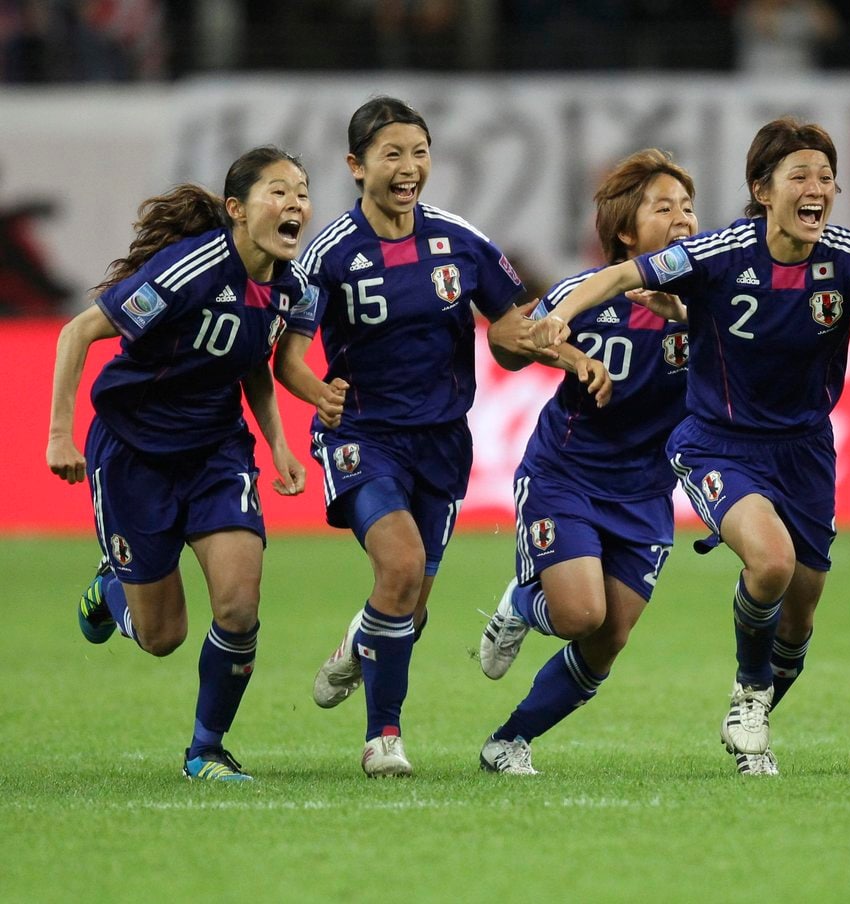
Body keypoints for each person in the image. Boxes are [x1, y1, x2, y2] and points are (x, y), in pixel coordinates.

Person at [531, 117, 850, 775]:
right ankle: (749, 699)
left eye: (826, 177)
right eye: (800, 176)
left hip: (805, 449)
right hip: (718, 444)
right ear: (762, 187)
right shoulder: (721, 252)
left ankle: (753, 715)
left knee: (800, 615)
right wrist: (560, 317)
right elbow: (619, 277)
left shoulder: (844, 253)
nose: (817, 189)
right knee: (771, 563)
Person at [274, 96, 532, 777]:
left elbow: (509, 324)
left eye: (419, 152)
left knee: (408, 610)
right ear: (357, 166)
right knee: (399, 567)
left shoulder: (461, 241)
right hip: (362, 435)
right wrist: (315, 390)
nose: (409, 167)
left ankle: (359, 640)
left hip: (442, 441)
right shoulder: (329, 253)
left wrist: (534, 341)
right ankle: (383, 736)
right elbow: (290, 356)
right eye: (393, 154)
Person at [45, 145, 313, 781]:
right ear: (236, 211)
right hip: (134, 454)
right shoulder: (187, 270)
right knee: (163, 636)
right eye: (277, 192)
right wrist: (60, 434)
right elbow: (77, 332)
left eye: (301, 192)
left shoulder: (291, 290)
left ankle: (206, 750)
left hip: (217, 454)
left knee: (240, 607)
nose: (294, 204)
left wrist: (276, 442)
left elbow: (250, 361)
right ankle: (111, 590)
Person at [475, 148, 695, 776]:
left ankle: (508, 742)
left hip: (647, 491)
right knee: (579, 614)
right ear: (627, 231)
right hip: (565, 475)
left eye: (688, 206)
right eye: (664, 207)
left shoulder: (706, 307)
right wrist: (574, 358)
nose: (683, 218)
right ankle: (522, 603)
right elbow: (517, 340)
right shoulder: (586, 293)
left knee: (608, 639)